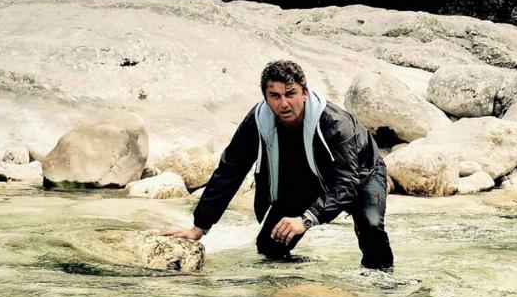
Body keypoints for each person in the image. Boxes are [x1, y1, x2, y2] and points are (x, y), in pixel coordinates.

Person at [162, 60, 393, 270]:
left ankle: (383, 285)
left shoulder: (335, 123)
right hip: (307, 179)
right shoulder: (257, 121)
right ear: (265, 97)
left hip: (362, 173)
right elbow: (230, 170)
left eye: (290, 94)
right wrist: (200, 226)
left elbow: (346, 184)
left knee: (371, 227)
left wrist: (307, 218)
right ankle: (295, 284)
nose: (284, 104)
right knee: (270, 245)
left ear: (305, 92)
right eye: (275, 96)